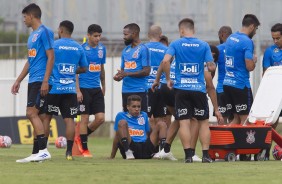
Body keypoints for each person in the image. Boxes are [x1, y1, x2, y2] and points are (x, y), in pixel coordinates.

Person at [152, 18, 216, 163]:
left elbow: (165, 61)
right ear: (193, 29)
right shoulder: (203, 45)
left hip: (181, 89)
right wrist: (210, 68)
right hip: (199, 89)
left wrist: (168, 79)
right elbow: (210, 66)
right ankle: (205, 155)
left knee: (184, 122)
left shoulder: (175, 43)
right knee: (203, 122)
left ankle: (188, 155)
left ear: (181, 30)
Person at [11, 3, 54, 162]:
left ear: (31, 16)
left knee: (31, 113)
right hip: (33, 80)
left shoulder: (45, 31)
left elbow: (51, 56)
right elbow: (30, 61)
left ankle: (43, 150)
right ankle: (37, 153)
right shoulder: (31, 36)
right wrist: (18, 80)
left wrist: (45, 81)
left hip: (41, 81)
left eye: (24, 17)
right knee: (40, 116)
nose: (23, 20)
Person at [46, 20, 88, 160]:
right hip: (70, 89)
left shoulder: (54, 45)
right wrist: (71, 70)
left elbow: (47, 62)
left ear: (61, 30)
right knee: (69, 120)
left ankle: (42, 150)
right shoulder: (78, 47)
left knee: (47, 118)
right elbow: (84, 68)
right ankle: (69, 153)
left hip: (53, 88)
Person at [223, 14, 260, 125]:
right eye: (256, 29)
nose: (256, 32)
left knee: (236, 119)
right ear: (252, 26)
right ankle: (247, 143)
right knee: (246, 120)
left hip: (227, 83)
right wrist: (254, 61)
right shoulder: (247, 41)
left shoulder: (230, 38)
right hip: (240, 85)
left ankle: (227, 142)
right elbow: (249, 66)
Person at [76, 24, 106, 157]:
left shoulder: (102, 49)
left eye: (99, 36)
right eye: (95, 36)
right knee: (85, 118)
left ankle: (81, 137)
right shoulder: (81, 49)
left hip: (96, 88)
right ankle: (85, 148)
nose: (98, 38)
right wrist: (77, 90)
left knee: (100, 118)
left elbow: (101, 68)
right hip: (84, 88)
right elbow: (76, 72)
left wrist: (104, 85)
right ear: (88, 35)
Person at [109, 95, 167, 159]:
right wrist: (112, 156)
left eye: (139, 106)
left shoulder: (144, 115)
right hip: (131, 146)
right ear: (128, 107)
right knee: (122, 122)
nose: (137, 109)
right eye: (134, 106)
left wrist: (155, 144)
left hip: (145, 147)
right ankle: (128, 152)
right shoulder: (121, 115)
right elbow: (117, 136)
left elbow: (148, 133)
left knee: (162, 124)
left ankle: (162, 152)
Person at [113, 23, 150, 113]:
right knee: (127, 119)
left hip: (139, 90)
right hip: (126, 90)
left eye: (126, 34)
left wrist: (127, 74)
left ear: (134, 34)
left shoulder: (143, 49)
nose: (123, 37)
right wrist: (118, 77)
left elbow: (147, 71)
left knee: (141, 119)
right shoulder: (125, 50)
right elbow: (123, 71)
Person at [262, 23, 282, 160]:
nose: (275, 41)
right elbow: (266, 75)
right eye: (273, 38)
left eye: (278, 38)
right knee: (271, 124)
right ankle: (265, 152)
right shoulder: (270, 51)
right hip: (275, 95)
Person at [216, 26, 233, 124]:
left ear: (221, 34)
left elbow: (212, 69)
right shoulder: (235, 48)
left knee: (222, 117)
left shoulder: (218, 49)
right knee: (233, 117)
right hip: (234, 87)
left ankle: (222, 139)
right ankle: (232, 139)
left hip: (221, 88)